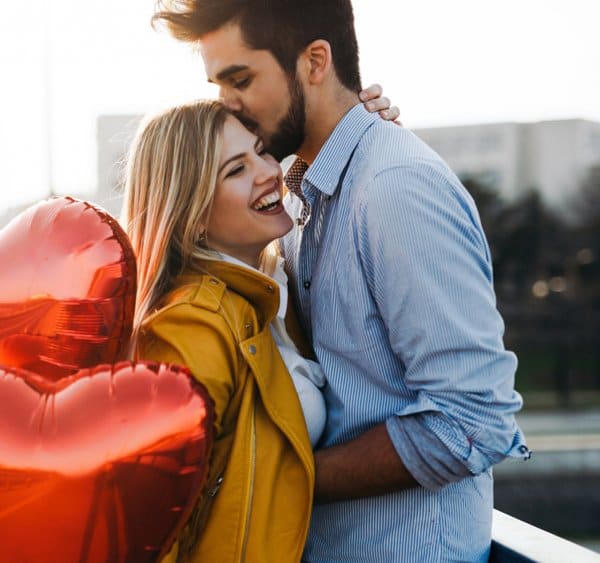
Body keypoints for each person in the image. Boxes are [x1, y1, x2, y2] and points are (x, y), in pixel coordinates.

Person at [151, 1, 529, 561]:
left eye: (241, 80)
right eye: (219, 85)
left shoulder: (394, 188)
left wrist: (288, 481)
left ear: (315, 61)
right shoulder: (303, 195)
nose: (228, 106)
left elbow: (473, 420)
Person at [123, 94, 395, 561]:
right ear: (192, 215)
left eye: (262, 150)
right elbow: (150, 528)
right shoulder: (192, 327)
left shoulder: (270, 287)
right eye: (235, 170)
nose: (269, 171)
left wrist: (360, 137)